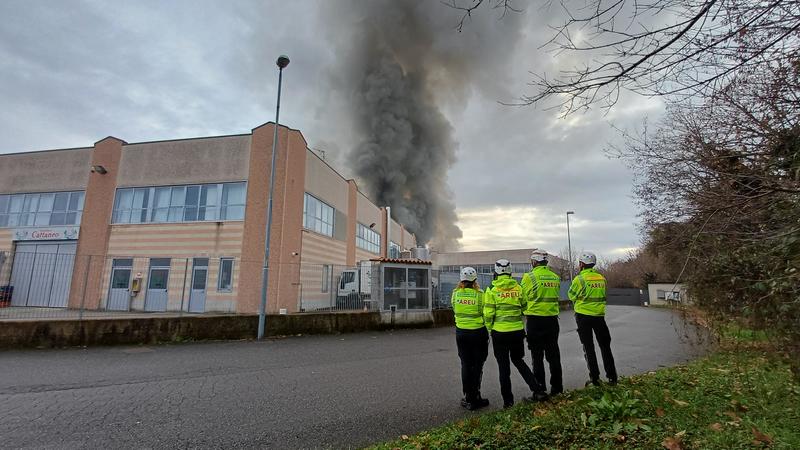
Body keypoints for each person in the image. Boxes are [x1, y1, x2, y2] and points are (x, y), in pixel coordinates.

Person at [484, 259, 548, 408]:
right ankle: (538, 390)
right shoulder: (518, 288)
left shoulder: (492, 290)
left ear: (496, 272)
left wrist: (490, 329)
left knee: (503, 368)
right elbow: (525, 307)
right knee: (519, 361)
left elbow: (488, 314)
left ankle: (508, 402)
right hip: (517, 332)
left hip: (499, 333)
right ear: (510, 271)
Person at [568, 252, 618, 387]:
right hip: (599, 317)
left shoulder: (579, 279)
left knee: (589, 347)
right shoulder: (601, 279)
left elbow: (571, 295)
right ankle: (612, 377)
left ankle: (595, 379)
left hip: (583, 317)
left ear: (581, 264)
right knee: (605, 346)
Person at [521, 249, 563, 396]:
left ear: (534, 261)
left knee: (537, 356)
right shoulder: (555, 277)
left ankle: (540, 389)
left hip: (535, 321)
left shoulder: (529, 277)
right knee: (553, 355)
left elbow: (523, 298)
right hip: (552, 320)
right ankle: (557, 388)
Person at [452, 266, 490, 410]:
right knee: (478, 364)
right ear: (475, 280)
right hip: (478, 333)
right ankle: (476, 397)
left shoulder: (455, 294)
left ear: (461, 280)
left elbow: (454, 309)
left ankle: (468, 397)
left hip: (461, 333)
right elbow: (485, 312)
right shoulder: (481, 294)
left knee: (466, 364)